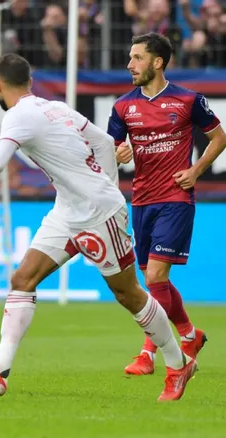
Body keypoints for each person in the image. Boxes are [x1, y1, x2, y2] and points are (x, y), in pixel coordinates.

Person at [0, 53, 197, 401]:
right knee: (23, 279)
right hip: (68, 210)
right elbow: (105, 144)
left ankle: (177, 362)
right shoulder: (56, 107)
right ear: (29, 83)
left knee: (129, 294)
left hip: (96, 212)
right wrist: (103, 182)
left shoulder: (18, 116)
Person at [109, 32, 226, 375]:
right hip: (141, 200)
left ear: (157, 62)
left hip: (176, 198)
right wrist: (117, 154)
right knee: (153, 281)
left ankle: (148, 354)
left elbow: (219, 137)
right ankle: (190, 335)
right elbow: (105, 153)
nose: (130, 65)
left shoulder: (188, 100)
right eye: (130, 58)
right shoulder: (122, 106)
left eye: (137, 58)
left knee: (157, 275)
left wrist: (196, 170)